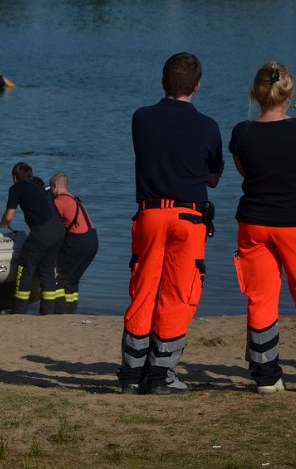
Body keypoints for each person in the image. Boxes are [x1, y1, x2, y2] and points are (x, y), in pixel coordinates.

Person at [117, 52, 224, 395]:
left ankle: (132, 374)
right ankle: (162, 373)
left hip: (149, 214)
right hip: (188, 216)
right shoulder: (207, 126)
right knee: (179, 293)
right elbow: (213, 178)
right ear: (197, 86)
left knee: (144, 290)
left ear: (163, 82)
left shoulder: (141, 118)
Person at [229, 62, 296, 394]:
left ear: (256, 94)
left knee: (260, 297)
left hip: (255, 222)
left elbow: (247, 172)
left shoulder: (242, 132)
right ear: (288, 94)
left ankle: (266, 376)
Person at [0, 162, 65, 315]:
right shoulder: (39, 187)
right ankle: (48, 311)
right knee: (47, 270)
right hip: (59, 230)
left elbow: (9, 216)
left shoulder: (16, 188)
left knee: (25, 267)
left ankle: (19, 310)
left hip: (42, 231)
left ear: (15, 177)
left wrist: (3, 223)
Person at [49, 173, 98, 314]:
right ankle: (71, 310)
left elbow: (51, 226)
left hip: (78, 241)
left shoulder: (60, 201)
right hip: (92, 241)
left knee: (60, 276)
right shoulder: (76, 200)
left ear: (54, 186)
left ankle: (59, 310)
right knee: (73, 279)